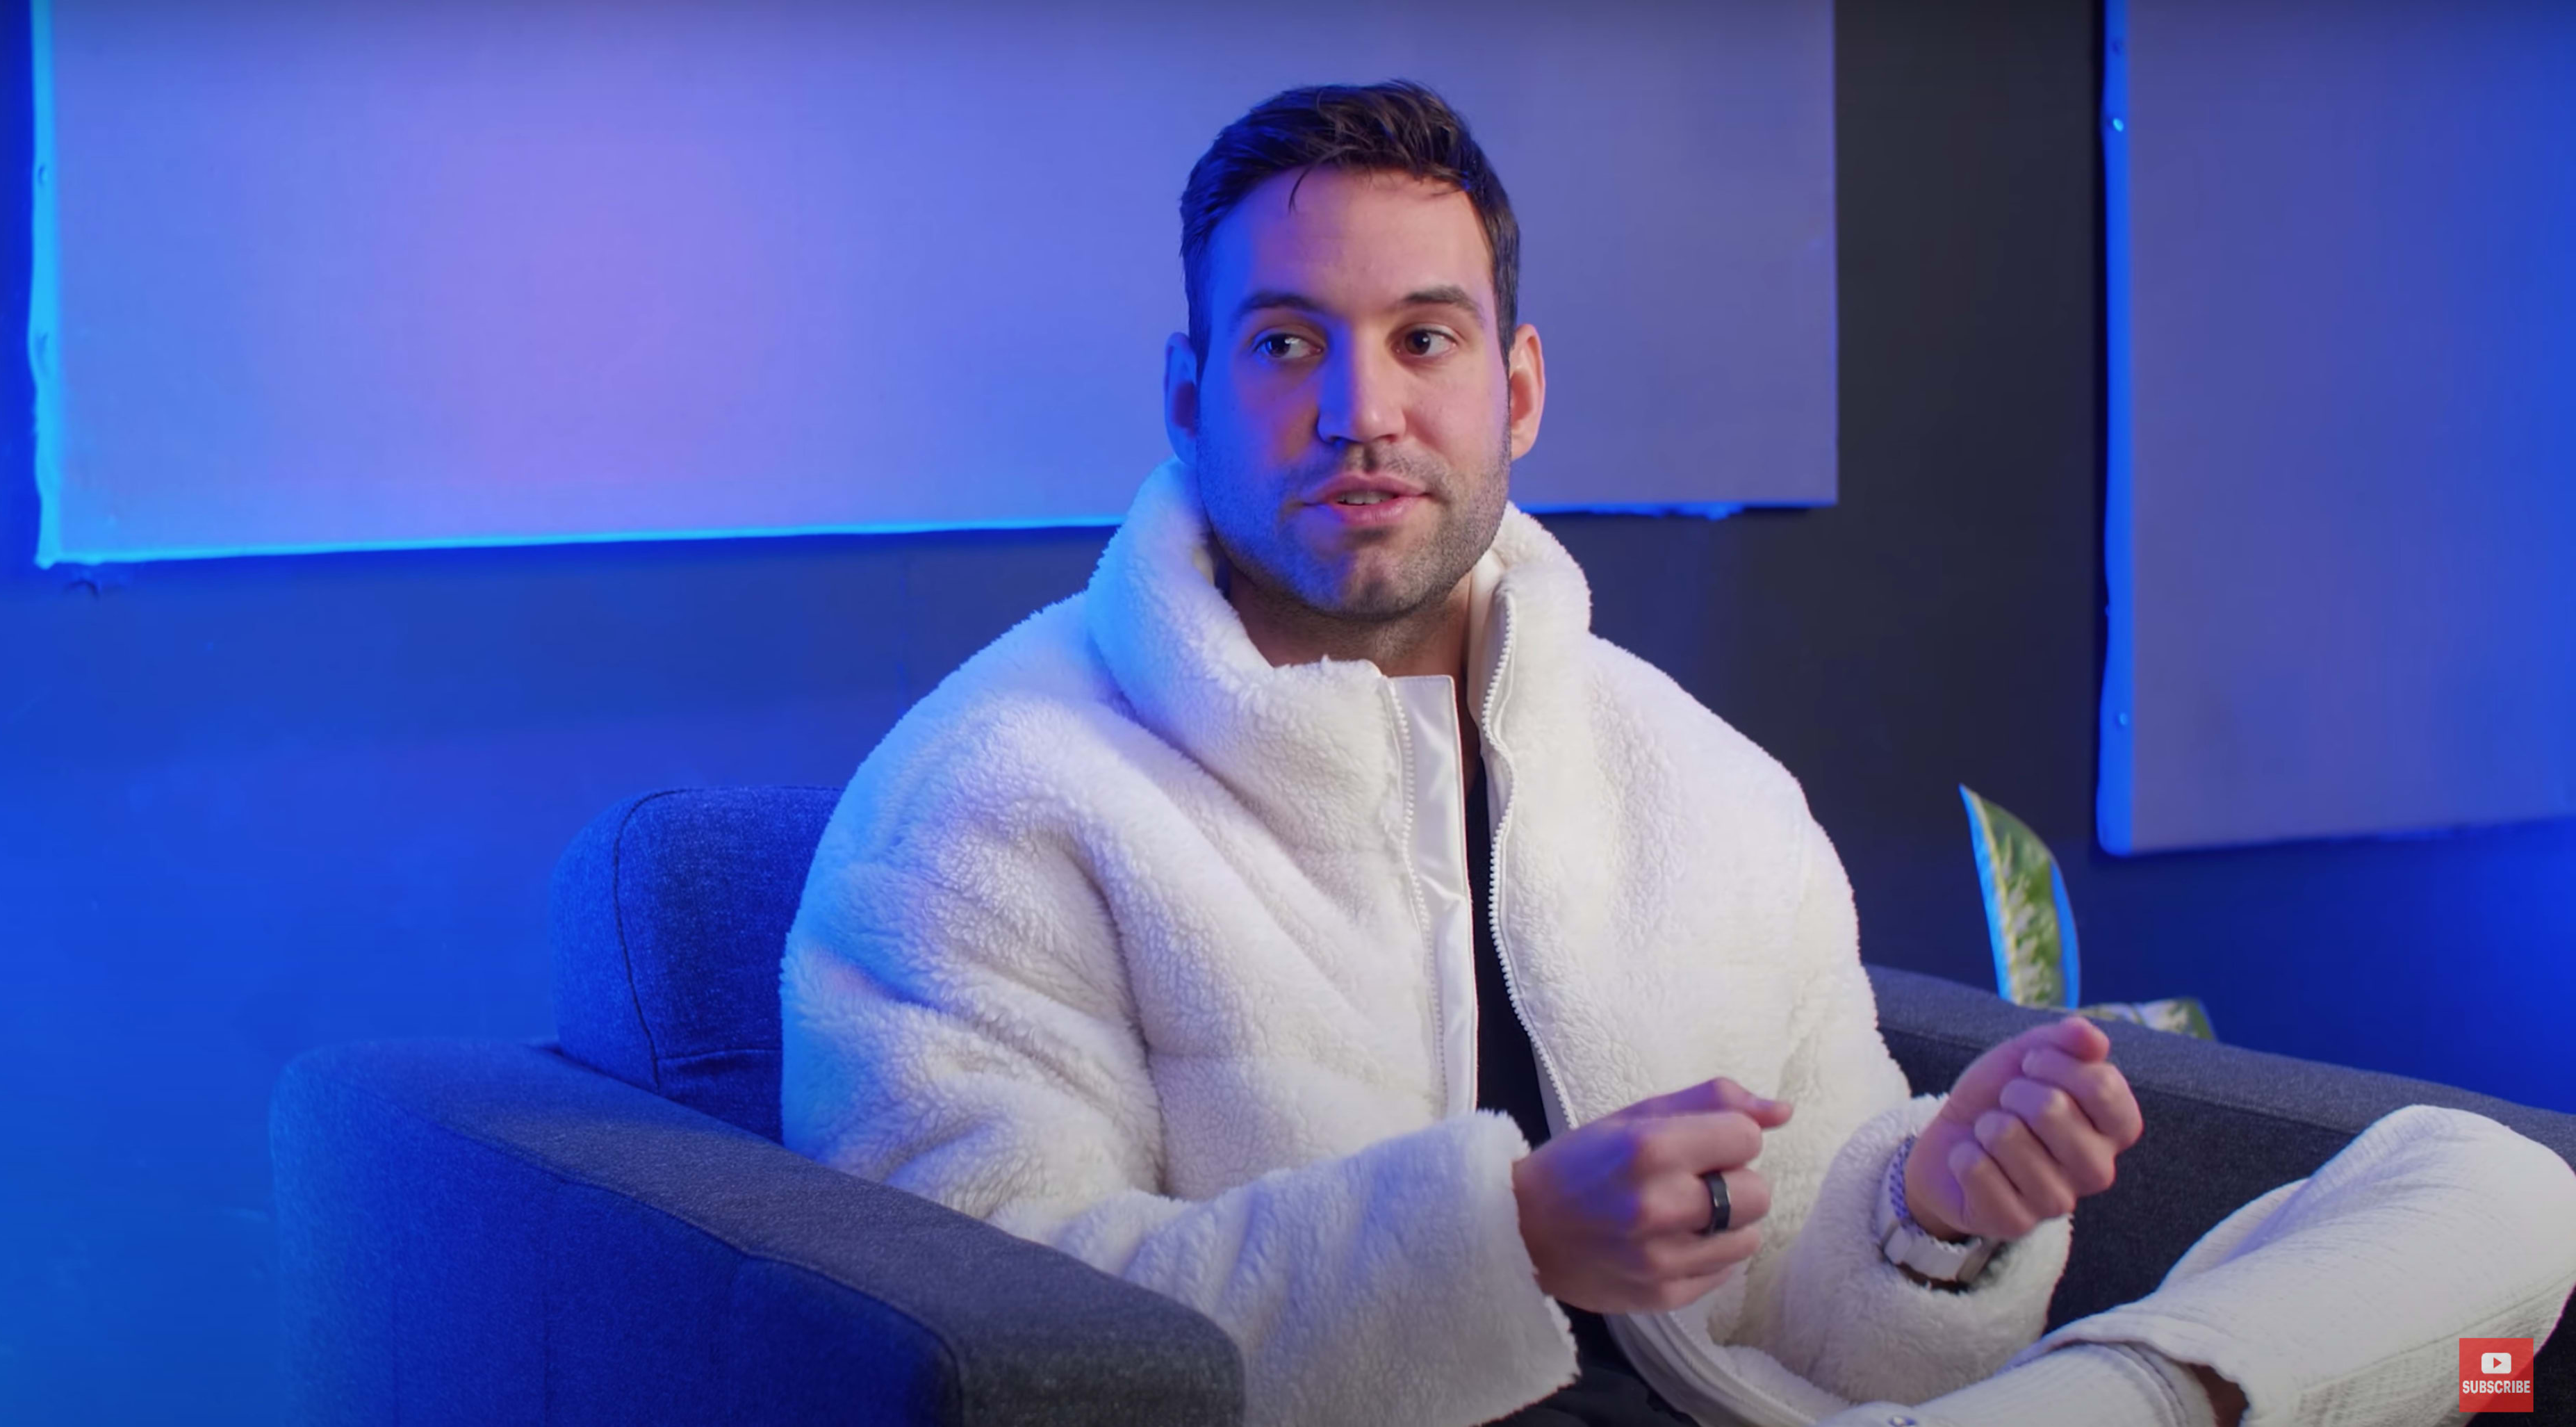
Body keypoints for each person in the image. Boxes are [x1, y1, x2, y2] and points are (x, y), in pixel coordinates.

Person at [778, 81, 2576, 1427]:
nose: (1361, 412)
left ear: (1522, 387)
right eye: (1284, 345)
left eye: (1426, 339)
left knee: (2495, 1190)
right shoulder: (990, 802)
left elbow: (1820, 1313)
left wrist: (1938, 1213)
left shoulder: (1703, 785)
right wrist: (1510, 1244)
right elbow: (993, 1348)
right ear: (1188, 395)